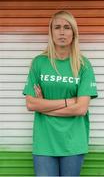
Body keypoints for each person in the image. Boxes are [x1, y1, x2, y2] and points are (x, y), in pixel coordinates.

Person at [23, 10, 98, 176]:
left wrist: (43, 106)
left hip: (73, 142)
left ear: (74, 32)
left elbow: (81, 109)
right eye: (57, 27)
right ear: (51, 32)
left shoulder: (83, 65)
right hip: (44, 142)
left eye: (67, 27)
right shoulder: (39, 63)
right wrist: (68, 102)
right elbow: (30, 104)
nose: (62, 32)